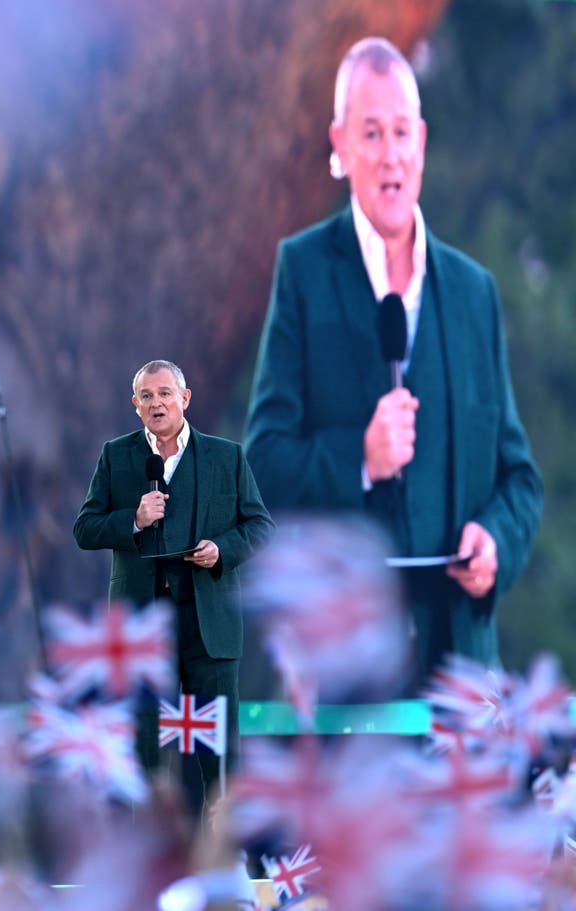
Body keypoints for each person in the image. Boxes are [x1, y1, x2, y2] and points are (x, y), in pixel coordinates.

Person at [244, 37, 542, 680]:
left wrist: (495, 543)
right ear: (340, 146)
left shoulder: (473, 295)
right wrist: (360, 457)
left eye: (401, 132)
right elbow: (262, 465)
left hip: (458, 681)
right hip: (340, 675)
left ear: (423, 143)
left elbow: (519, 481)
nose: (390, 155)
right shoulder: (304, 272)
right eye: (371, 134)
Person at [74, 359, 274, 808]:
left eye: (165, 393)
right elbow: (85, 528)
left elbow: (259, 527)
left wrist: (222, 550)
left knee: (219, 753)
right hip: (144, 631)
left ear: (185, 399)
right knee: (144, 751)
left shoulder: (227, 456)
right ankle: (149, 863)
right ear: (135, 406)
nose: (156, 403)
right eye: (146, 396)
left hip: (209, 627)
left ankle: (225, 858)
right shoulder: (116, 456)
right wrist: (134, 519)